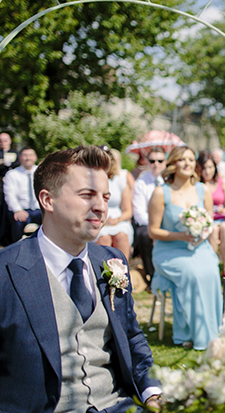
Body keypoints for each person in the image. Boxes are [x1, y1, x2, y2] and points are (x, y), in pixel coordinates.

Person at [0, 145, 163, 412]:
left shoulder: (112, 261)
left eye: (105, 196)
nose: (101, 207)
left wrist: (151, 392)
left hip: (118, 405)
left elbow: (131, 337)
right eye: (87, 195)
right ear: (47, 200)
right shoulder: (6, 271)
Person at [148, 146, 222, 350]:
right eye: (182, 160)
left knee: (211, 270)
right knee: (192, 274)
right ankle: (191, 332)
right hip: (169, 250)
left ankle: (213, 328)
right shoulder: (160, 193)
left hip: (199, 247)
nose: (187, 163)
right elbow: (153, 231)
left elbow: (209, 223)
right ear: (173, 164)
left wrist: (201, 236)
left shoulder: (202, 190)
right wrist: (181, 235)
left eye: (191, 159)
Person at [197, 150, 225, 277]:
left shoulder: (222, 182)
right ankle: (212, 265)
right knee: (213, 229)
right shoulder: (198, 185)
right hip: (206, 220)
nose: (207, 171)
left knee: (224, 228)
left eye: (210, 167)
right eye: (204, 168)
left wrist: (221, 210)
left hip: (222, 218)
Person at [132, 146, 166, 287]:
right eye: (152, 161)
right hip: (148, 224)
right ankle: (152, 277)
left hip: (167, 222)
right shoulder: (141, 183)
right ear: (147, 162)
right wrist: (155, 227)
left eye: (160, 160)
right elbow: (139, 213)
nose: (156, 164)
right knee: (146, 235)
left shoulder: (170, 179)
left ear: (165, 161)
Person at [96, 147, 134, 260]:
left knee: (121, 236)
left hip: (118, 219)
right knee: (104, 238)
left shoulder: (120, 180)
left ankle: (123, 273)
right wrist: (102, 221)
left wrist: (117, 220)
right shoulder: (92, 181)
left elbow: (128, 211)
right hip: (99, 221)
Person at [3, 147, 42, 243]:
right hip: (22, 209)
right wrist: (18, 210)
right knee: (18, 222)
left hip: (40, 209)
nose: (28, 158)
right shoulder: (12, 174)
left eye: (30, 155)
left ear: (35, 157)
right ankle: (18, 248)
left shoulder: (42, 172)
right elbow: (10, 195)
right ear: (20, 158)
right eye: (25, 155)